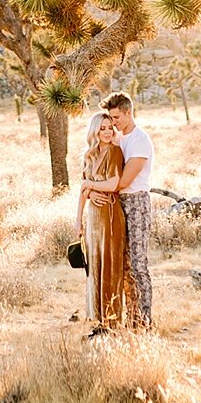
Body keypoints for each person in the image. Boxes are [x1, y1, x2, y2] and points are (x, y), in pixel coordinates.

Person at [77, 91, 154, 330]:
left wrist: (90, 188)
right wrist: (90, 193)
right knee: (122, 265)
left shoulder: (140, 141)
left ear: (129, 113)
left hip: (136, 203)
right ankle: (125, 319)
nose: (115, 123)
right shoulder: (119, 139)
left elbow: (120, 182)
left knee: (138, 264)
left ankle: (143, 320)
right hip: (118, 205)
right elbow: (103, 174)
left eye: (117, 117)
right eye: (111, 119)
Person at [75, 113, 129, 332]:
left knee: (110, 266)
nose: (107, 132)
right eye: (102, 128)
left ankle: (111, 321)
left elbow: (114, 183)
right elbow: (82, 191)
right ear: (95, 131)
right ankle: (96, 321)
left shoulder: (115, 152)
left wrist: (90, 185)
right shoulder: (90, 155)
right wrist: (78, 219)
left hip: (110, 215)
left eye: (110, 128)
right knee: (94, 267)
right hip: (93, 219)